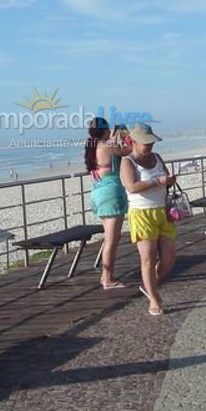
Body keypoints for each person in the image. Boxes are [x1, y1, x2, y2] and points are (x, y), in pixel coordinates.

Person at [119, 123, 177, 316]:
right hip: (141, 213)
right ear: (133, 142)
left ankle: (149, 285)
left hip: (161, 210)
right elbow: (131, 186)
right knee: (148, 259)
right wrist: (156, 182)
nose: (149, 147)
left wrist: (169, 181)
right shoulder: (128, 162)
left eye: (151, 143)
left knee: (169, 257)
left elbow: (166, 179)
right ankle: (153, 298)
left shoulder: (157, 157)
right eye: (145, 143)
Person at [85, 117, 132, 290]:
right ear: (106, 131)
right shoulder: (110, 146)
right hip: (112, 193)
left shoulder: (91, 148)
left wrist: (113, 136)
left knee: (109, 238)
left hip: (97, 194)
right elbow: (130, 149)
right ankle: (107, 278)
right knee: (112, 240)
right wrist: (125, 135)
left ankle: (106, 276)